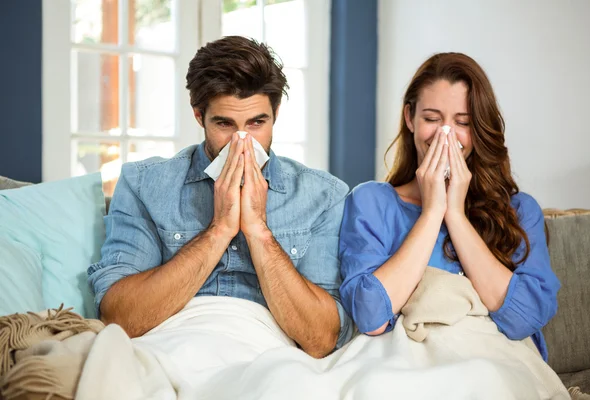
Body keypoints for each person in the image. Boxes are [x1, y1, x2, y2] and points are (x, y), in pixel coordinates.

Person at [88, 36, 352, 358]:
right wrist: (220, 229)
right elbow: (120, 317)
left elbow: (322, 338)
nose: (242, 141)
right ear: (199, 116)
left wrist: (258, 230)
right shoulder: (144, 185)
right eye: (225, 124)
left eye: (257, 123)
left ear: (276, 114)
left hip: (268, 355)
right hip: (169, 347)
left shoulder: (323, 195)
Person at [338, 52, 560, 361]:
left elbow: (523, 319)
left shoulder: (520, 211)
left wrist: (455, 214)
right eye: (431, 119)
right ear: (409, 118)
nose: (446, 134)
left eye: (463, 123)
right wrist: (431, 213)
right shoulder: (371, 202)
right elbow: (370, 317)